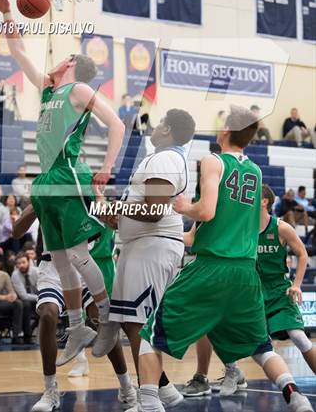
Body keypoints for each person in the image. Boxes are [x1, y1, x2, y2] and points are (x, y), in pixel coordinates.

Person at [129, 105, 314, 412]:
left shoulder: (212, 160)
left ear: (226, 130)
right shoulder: (255, 171)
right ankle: (296, 396)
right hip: (245, 273)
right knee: (261, 347)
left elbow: (207, 211)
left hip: (211, 267)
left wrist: (185, 207)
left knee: (148, 333)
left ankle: (148, 402)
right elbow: (230, 221)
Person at [0, 0, 125, 363]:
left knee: (78, 254)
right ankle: (78, 325)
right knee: (61, 254)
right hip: (48, 178)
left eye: (65, 57)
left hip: (69, 174)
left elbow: (117, 124)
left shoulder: (79, 90)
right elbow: (17, 51)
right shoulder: (49, 90)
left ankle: (108, 316)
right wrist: (6, 13)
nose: (57, 59)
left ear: (72, 67)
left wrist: (107, 167)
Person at [103, 109, 195, 409]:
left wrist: (115, 210)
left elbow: (154, 213)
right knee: (133, 322)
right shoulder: (163, 158)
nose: (153, 128)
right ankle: (164, 390)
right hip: (143, 245)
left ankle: (149, 398)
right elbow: (138, 212)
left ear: (167, 129)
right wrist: (110, 212)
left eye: (158, 124)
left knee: (139, 324)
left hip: (153, 245)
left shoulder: (165, 159)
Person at [15, 210, 137, 412]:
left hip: (81, 262)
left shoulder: (83, 191)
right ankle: (50, 390)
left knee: (101, 321)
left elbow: (109, 219)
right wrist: (37, 206)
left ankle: (126, 387)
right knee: (47, 314)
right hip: (51, 266)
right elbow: (17, 231)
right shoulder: (44, 192)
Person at [258, 184, 316, 374]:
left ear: (264, 202)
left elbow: (302, 254)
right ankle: (234, 372)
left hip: (279, 289)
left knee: (298, 336)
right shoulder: (243, 229)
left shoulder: (281, 227)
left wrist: (297, 285)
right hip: (253, 291)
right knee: (239, 337)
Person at [11, 252, 38, 344]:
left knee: (47, 305)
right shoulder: (15, 275)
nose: (21, 265)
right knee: (25, 304)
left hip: (38, 298)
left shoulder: (37, 271)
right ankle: (27, 335)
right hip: (26, 300)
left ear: (29, 262)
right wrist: (39, 298)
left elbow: (43, 288)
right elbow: (23, 296)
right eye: (18, 263)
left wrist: (42, 298)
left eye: (23, 262)